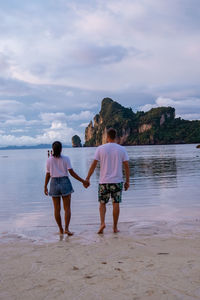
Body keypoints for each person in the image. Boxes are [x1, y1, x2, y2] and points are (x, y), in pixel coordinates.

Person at [86, 128, 130, 234]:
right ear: (116, 137)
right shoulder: (121, 149)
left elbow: (93, 165)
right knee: (116, 203)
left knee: (102, 204)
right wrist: (127, 181)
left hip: (103, 182)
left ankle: (102, 223)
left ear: (107, 136)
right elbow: (127, 167)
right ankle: (114, 227)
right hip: (117, 181)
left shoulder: (100, 148)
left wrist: (87, 178)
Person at [44, 141, 89, 235]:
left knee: (56, 209)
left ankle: (60, 229)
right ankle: (67, 229)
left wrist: (45, 186)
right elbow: (71, 173)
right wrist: (83, 181)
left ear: (53, 149)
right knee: (67, 208)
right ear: (61, 149)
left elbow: (48, 174)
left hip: (53, 183)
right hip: (65, 182)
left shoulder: (49, 160)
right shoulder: (66, 158)